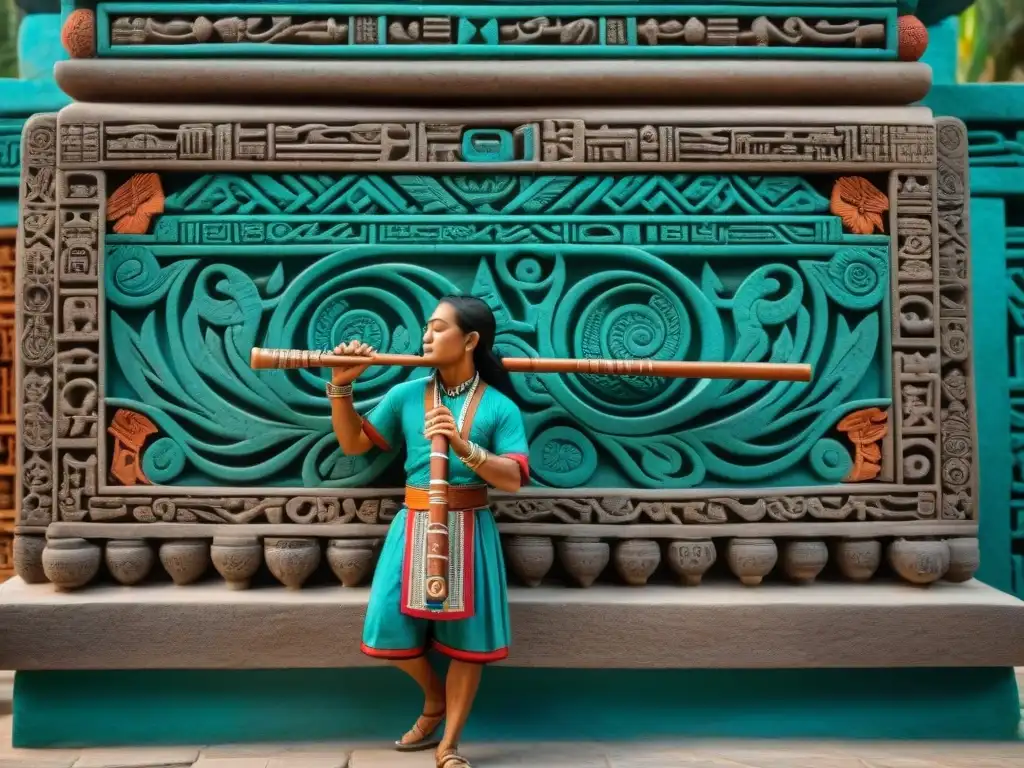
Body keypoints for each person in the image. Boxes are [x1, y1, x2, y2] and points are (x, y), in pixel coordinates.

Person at [329, 295, 530, 768]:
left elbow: (515, 479)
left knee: (468, 643)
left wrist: (464, 447)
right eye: (427, 327)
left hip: (470, 526)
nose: (426, 337)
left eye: (439, 328)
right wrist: (341, 389)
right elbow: (354, 443)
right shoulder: (406, 395)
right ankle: (435, 699)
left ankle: (450, 744)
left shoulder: (499, 407)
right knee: (385, 626)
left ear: (470, 341)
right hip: (414, 521)